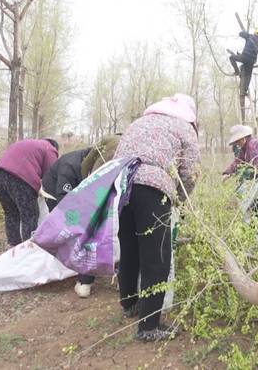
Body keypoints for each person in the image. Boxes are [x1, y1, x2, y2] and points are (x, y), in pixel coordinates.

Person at [113, 93, 200, 342]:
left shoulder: (138, 123)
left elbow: (117, 155)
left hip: (122, 184)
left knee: (130, 248)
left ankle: (129, 304)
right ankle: (149, 326)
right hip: (153, 186)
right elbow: (190, 170)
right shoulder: (184, 127)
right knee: (156, 258)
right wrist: (182, 200)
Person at [40, 135, 122, 299]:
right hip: (56, 195)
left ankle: (117, 273)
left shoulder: (109, 164)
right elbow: (65, 201)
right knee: (75, 229)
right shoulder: (69, 166)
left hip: (84, 193)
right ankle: (80, 274)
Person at [0, 138, 59, 246]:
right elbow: (51, 175)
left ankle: (13, 248)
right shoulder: (49, 148)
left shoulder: (30, 144)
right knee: (30, 215)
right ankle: (28, 250)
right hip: (20, 178)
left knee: (11, 214)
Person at [222, 125, 258, 241]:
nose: (237, 144)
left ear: (243, 138)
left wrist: (243, 174)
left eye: (237, 141)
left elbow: (255, 167)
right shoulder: (244, 149)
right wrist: (227, 173)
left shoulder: (253, 145)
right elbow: (237, 162)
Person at [227, 29, 258, 97]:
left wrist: (246, 33)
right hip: (251, 61)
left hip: (245, 57)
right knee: (248, 76)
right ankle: (244, 91)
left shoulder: (250, 37)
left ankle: (237, 71)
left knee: (231, 57)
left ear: (255, 33)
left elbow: (240, 33)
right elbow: (254, 52)